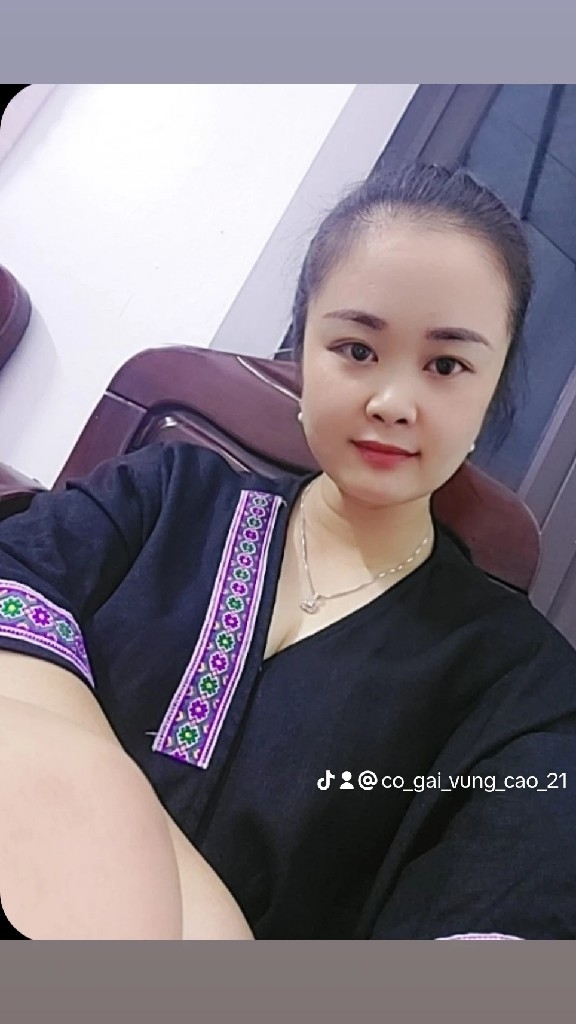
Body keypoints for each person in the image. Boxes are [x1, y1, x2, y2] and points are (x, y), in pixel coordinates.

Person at [1, 162, 576, 940]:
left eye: (446, 366)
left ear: (491, 392)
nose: (392, 402)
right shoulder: (165, 495)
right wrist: (198, 916)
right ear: (302, 351)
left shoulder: (525, 689)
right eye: (357, 349)